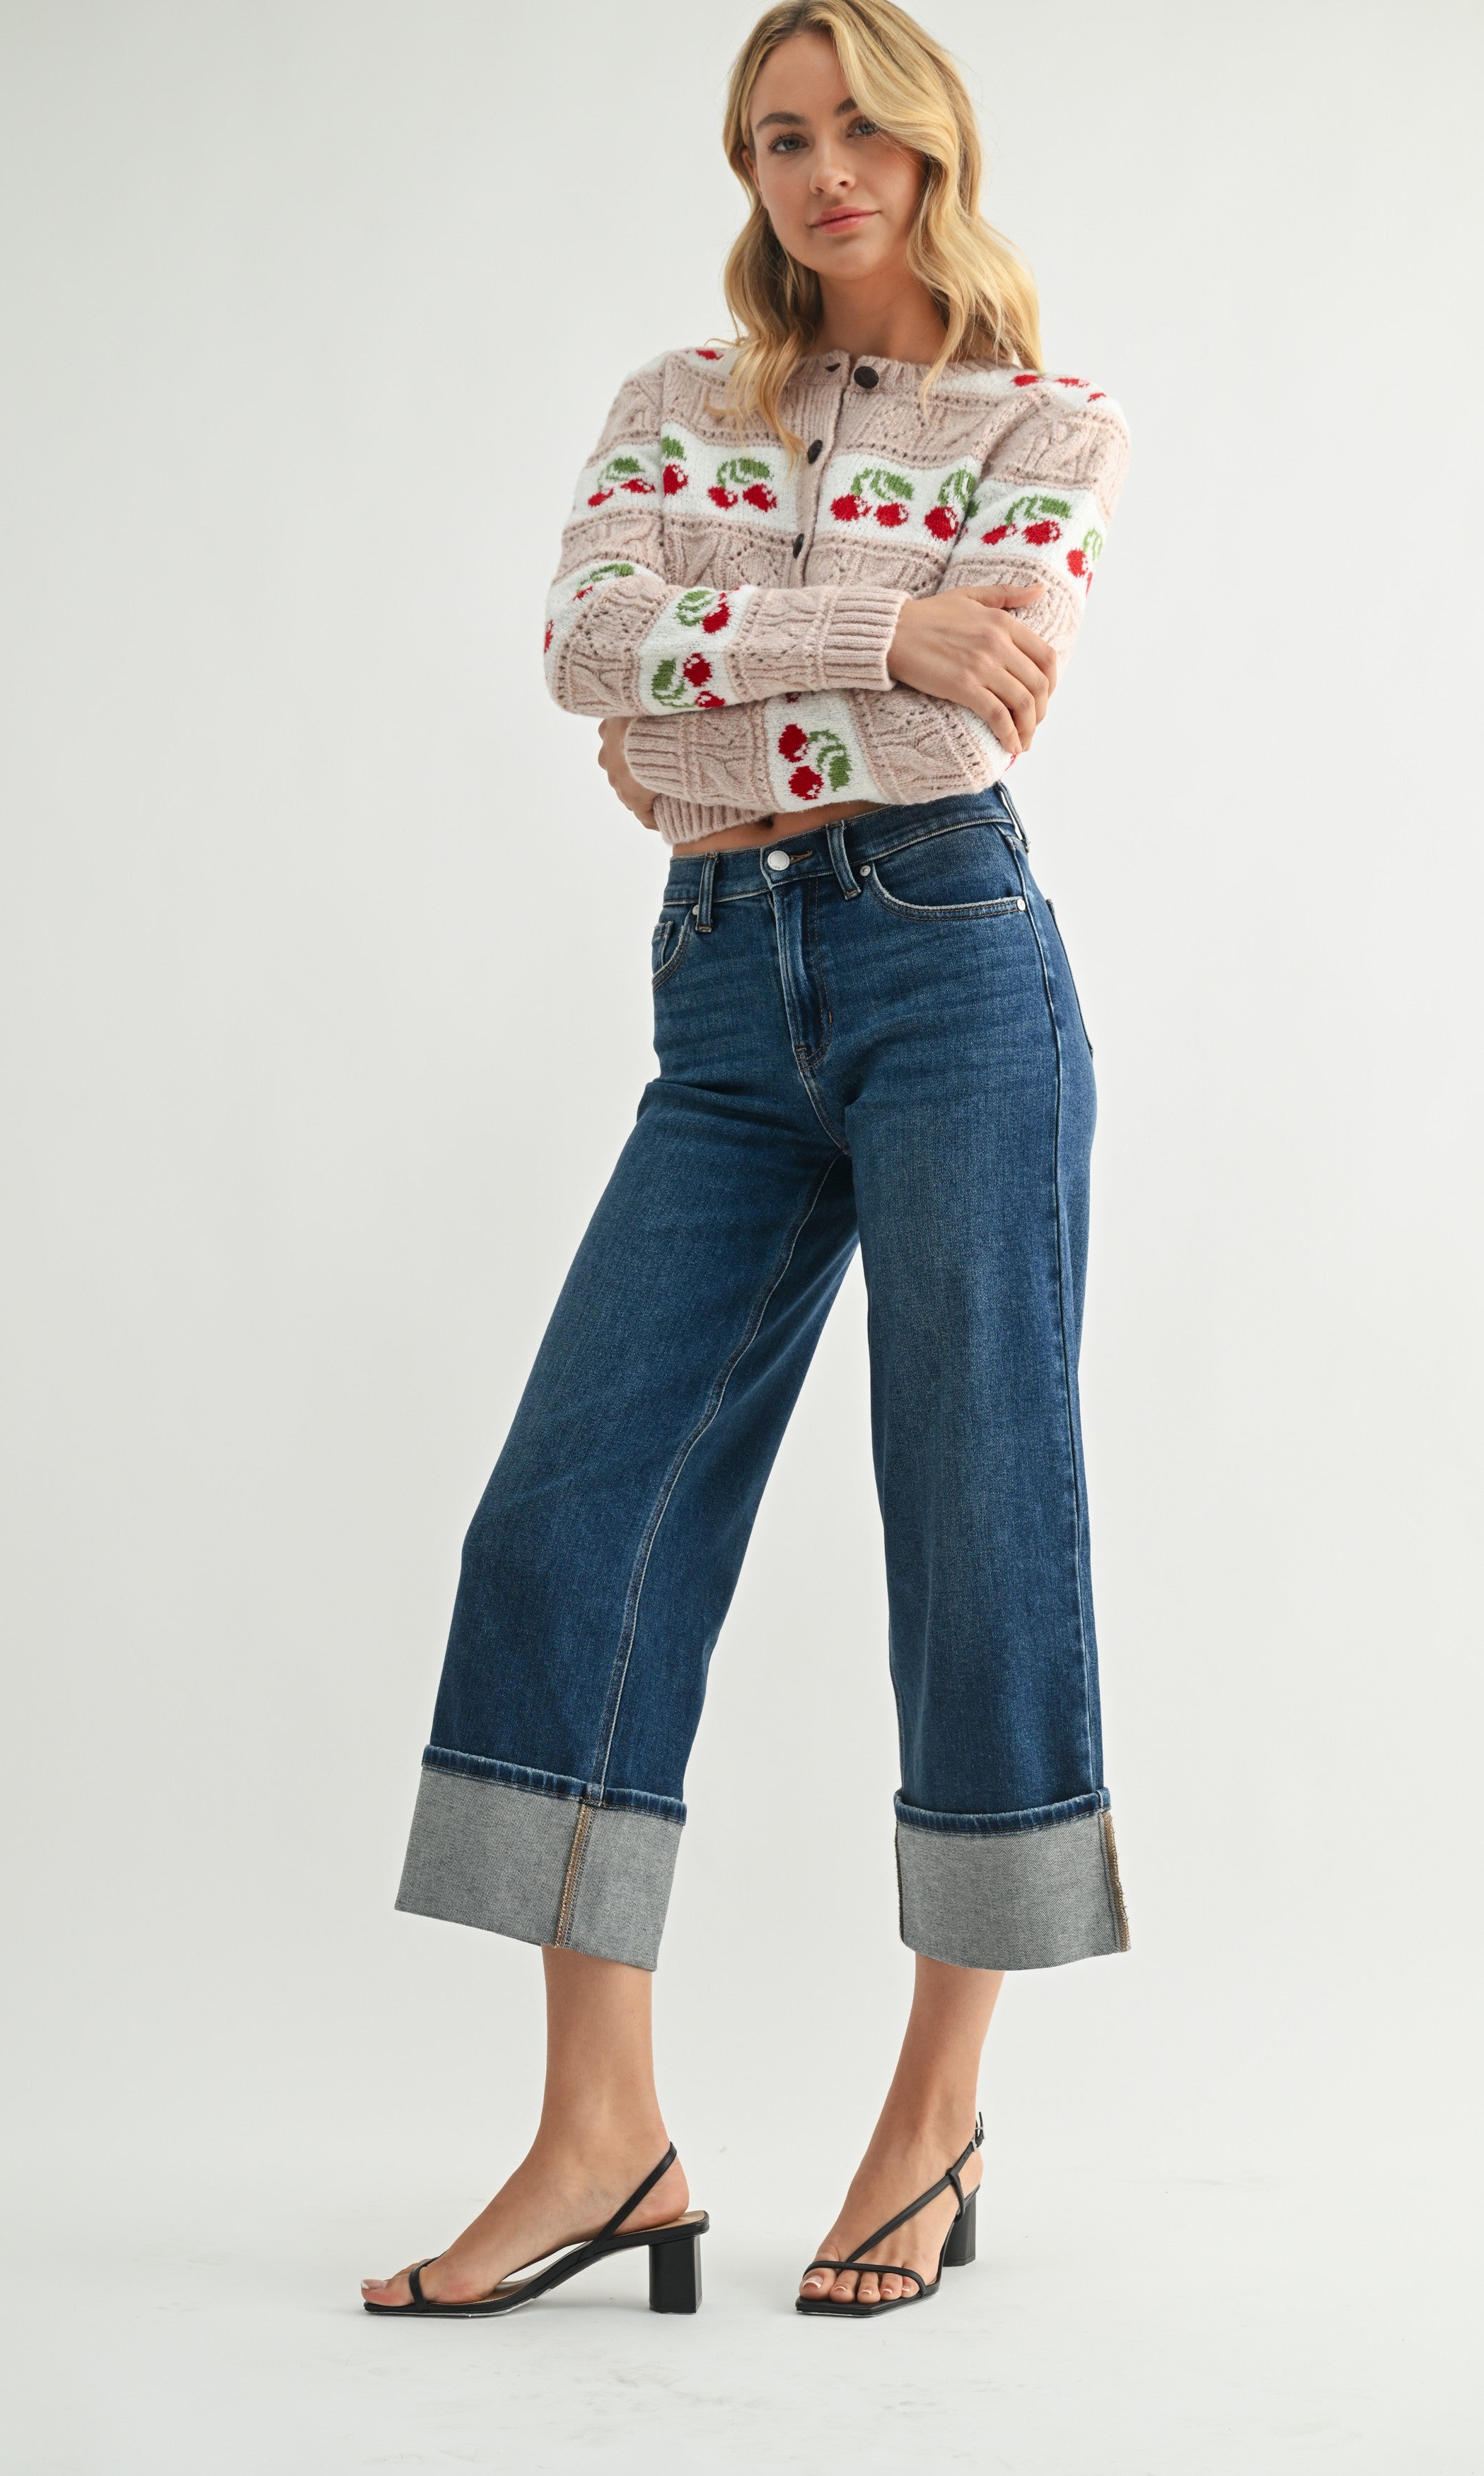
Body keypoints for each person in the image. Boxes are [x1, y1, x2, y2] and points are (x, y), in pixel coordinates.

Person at [365, 0, 1130, 2321]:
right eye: (780, 136)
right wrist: (873, 628)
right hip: (722, 995)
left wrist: (786, 684)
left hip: (954, 966)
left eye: (860, 127)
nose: (825, 172)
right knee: (567, 1512)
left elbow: (960, 701)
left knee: (976, 1512)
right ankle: (607, 2136)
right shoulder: (669, 407)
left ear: (932, 144)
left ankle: (935, 2108)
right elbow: (593, 651)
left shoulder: (1046, 420)